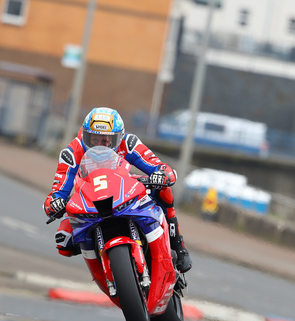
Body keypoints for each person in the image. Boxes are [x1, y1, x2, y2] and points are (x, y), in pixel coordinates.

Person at [43, 107, 192, 273]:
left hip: (125, 193)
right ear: (85, 136)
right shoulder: (71, 152)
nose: (100, 145)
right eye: (94, 139)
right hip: (90, 201)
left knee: (163, 191)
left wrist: (162, 175)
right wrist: (54, 204)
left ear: (118, 137)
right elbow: (57, 192)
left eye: (106, 141)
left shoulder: (129, 143)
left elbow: (162, 167)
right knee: (64, 242)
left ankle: (178, 245)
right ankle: (101, 262)